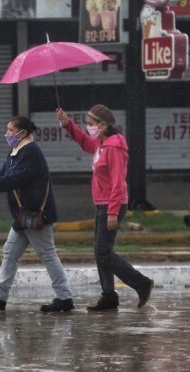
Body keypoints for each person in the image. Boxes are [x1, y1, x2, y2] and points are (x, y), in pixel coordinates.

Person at [0, 116, 74, 312]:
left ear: (22, 133)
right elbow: (2, 174)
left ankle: (64, 298)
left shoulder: (30, 152)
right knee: (10, 253)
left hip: (36, 215)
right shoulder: (17, 152)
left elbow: (15, 178)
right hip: (23, 216)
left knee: (47, 255)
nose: (7, 134)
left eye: (10, 130)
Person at [56, 105, 154, 311]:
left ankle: (141, 283)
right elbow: (84, 141)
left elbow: (118, 181)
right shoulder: (102, 144)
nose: (89, 127)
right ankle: (109, 296)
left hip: (112, 204)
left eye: (91, 124)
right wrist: (67, 123)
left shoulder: (114, 146)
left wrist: (112, 211)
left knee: (103, 252)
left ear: (102, 125)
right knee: (101, 251)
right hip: (102, 203)